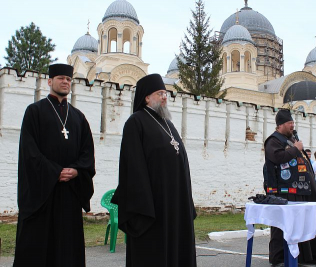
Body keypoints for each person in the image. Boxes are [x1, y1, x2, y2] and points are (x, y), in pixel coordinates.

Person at [14, 64, 96, 267]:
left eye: (68, 79)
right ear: (49, 82)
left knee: (67, 247)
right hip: (42, 194)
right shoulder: (35, 112)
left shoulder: (78, 117)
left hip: (69, 194)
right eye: (61, 78)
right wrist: (54, 172)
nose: (65, 82)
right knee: (38, 247)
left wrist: (77, 170)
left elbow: (87, 152)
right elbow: (29, 151)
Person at [111, 74, 197, 267]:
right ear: (146, 97)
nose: (165, 97)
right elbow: (132, 167)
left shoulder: (169, 124)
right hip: (152, 208)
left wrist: (185, 201)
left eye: (165, 93)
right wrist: (144, 206)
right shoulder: (136, 122)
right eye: (160, 93)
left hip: (175, 205)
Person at [264, 109, 316, 265]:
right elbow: (278, 157)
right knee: (283, 225)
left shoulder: (291, 140)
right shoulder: (273, 141)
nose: (292, 126)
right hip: (282, 190)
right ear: (280, 125)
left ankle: (307, 256)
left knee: (303, 223)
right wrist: (296, 149)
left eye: (293, 122)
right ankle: (279, 259)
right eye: (289, 123)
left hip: (299, 188)